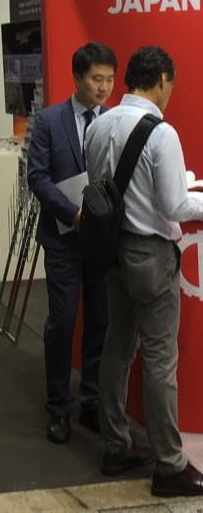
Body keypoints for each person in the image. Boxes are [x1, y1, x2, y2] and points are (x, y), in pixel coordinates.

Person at [86, 46, 203, 495]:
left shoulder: (98, 125)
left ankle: (116, 444)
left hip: (111, 252)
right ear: (162, 80)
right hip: (150, 256)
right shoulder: (161, 132)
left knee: (117, 348)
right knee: (159, 359)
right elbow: (175, 206)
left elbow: (108, 189)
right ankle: (170, 466)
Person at [26, 42, 116, 445]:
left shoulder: (114, 120)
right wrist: (72, 213)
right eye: (97, 79)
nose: (104, 87)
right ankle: (59, 407)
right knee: (62, 322)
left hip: (102, 242)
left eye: (109, 79)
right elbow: (37, 175)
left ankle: (92, 402)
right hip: (63, 238)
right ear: (77, 78)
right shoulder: (49, 120)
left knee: (100, 320)